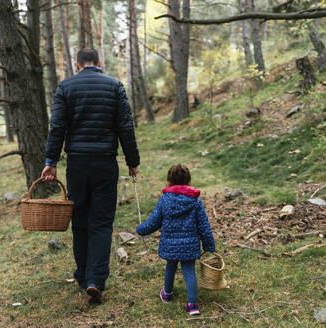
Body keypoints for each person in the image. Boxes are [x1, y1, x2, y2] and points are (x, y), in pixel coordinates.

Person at [41, 48, 139, 304]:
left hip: (77, 164)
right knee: (102, 222)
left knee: (80, 220)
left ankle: (83, 276)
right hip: (105, 164)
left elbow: (57, 126)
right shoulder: (115, 85)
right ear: (99, 62)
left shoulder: (65, 87)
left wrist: (51, 161)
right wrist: (132, 161)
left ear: (77, 64)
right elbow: (125, 126)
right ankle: (95, 280)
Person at [136, 164, 215, 316]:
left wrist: (141, 229)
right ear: (189, 181)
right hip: (189, 245)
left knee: (170, 267)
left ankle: (167, 294)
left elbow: (153, 222)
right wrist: (209, 245)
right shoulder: (195, 202)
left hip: (170, 245)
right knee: (189, 272)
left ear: (168, 181)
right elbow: (204, 226)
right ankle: (192, 305)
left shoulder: (165, 200)